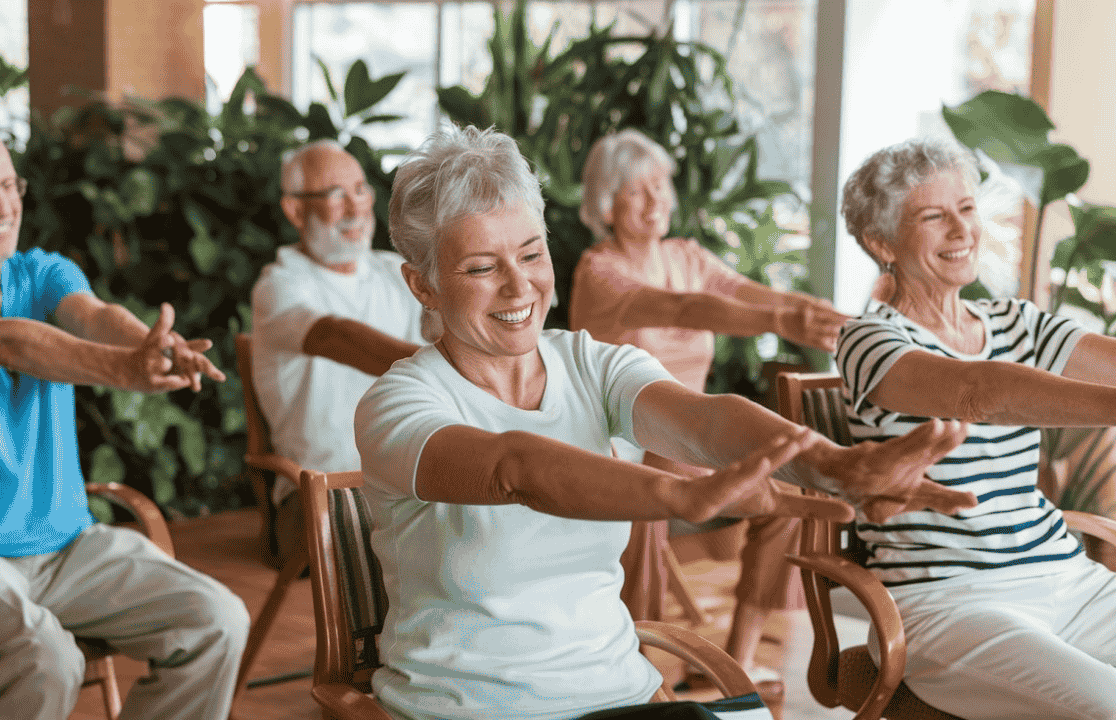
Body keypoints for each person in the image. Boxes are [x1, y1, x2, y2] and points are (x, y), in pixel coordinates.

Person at [353, 124, 976, 720]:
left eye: (531, 254)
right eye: (481, 268)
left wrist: (837, 464)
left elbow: (705, 422)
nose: (520, 288)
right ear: (424, 285)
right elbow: (516, 468)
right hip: (469, 708)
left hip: (623, 697)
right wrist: (681, 493)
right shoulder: (399, 404)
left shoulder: (592, 364)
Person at [0, 123, 250, 720]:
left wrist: (153, 347)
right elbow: (3, 341)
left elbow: (93, 315)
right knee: (48, 656)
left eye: (8, 184)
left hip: (70, 551)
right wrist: (128, 369)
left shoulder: (42, 273)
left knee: (217, 620)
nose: (3, 207)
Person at [836, 137, 1116, 720]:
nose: (961, 230)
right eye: (933, 217)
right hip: (951, 603)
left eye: (966, 209)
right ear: (881, 242)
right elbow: (977, 392)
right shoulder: (866, 340)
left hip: (1069, 580)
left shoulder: (1016, 321)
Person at [569, 128, 849, 675]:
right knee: (649, 494)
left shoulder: (686, 255)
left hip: (687, 439)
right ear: (606, 203)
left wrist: (811, 312)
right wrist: (779, 320)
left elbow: (743, 293)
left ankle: (737, 661)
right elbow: (680, 309)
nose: (655, 201)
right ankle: (637, 668)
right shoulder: (597, 273)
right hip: (617, 447)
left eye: (660, 187)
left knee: (788, 494)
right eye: (636, 191)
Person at [250, 139, 427, 567]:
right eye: (335, 195)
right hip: (319, 496)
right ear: (294, 210)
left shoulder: (394, 272)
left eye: (361, 190)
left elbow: (450, 332)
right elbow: (337, 337)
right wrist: (444, 367)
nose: (355, 207)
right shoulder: (280, 285)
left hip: (407, 482)